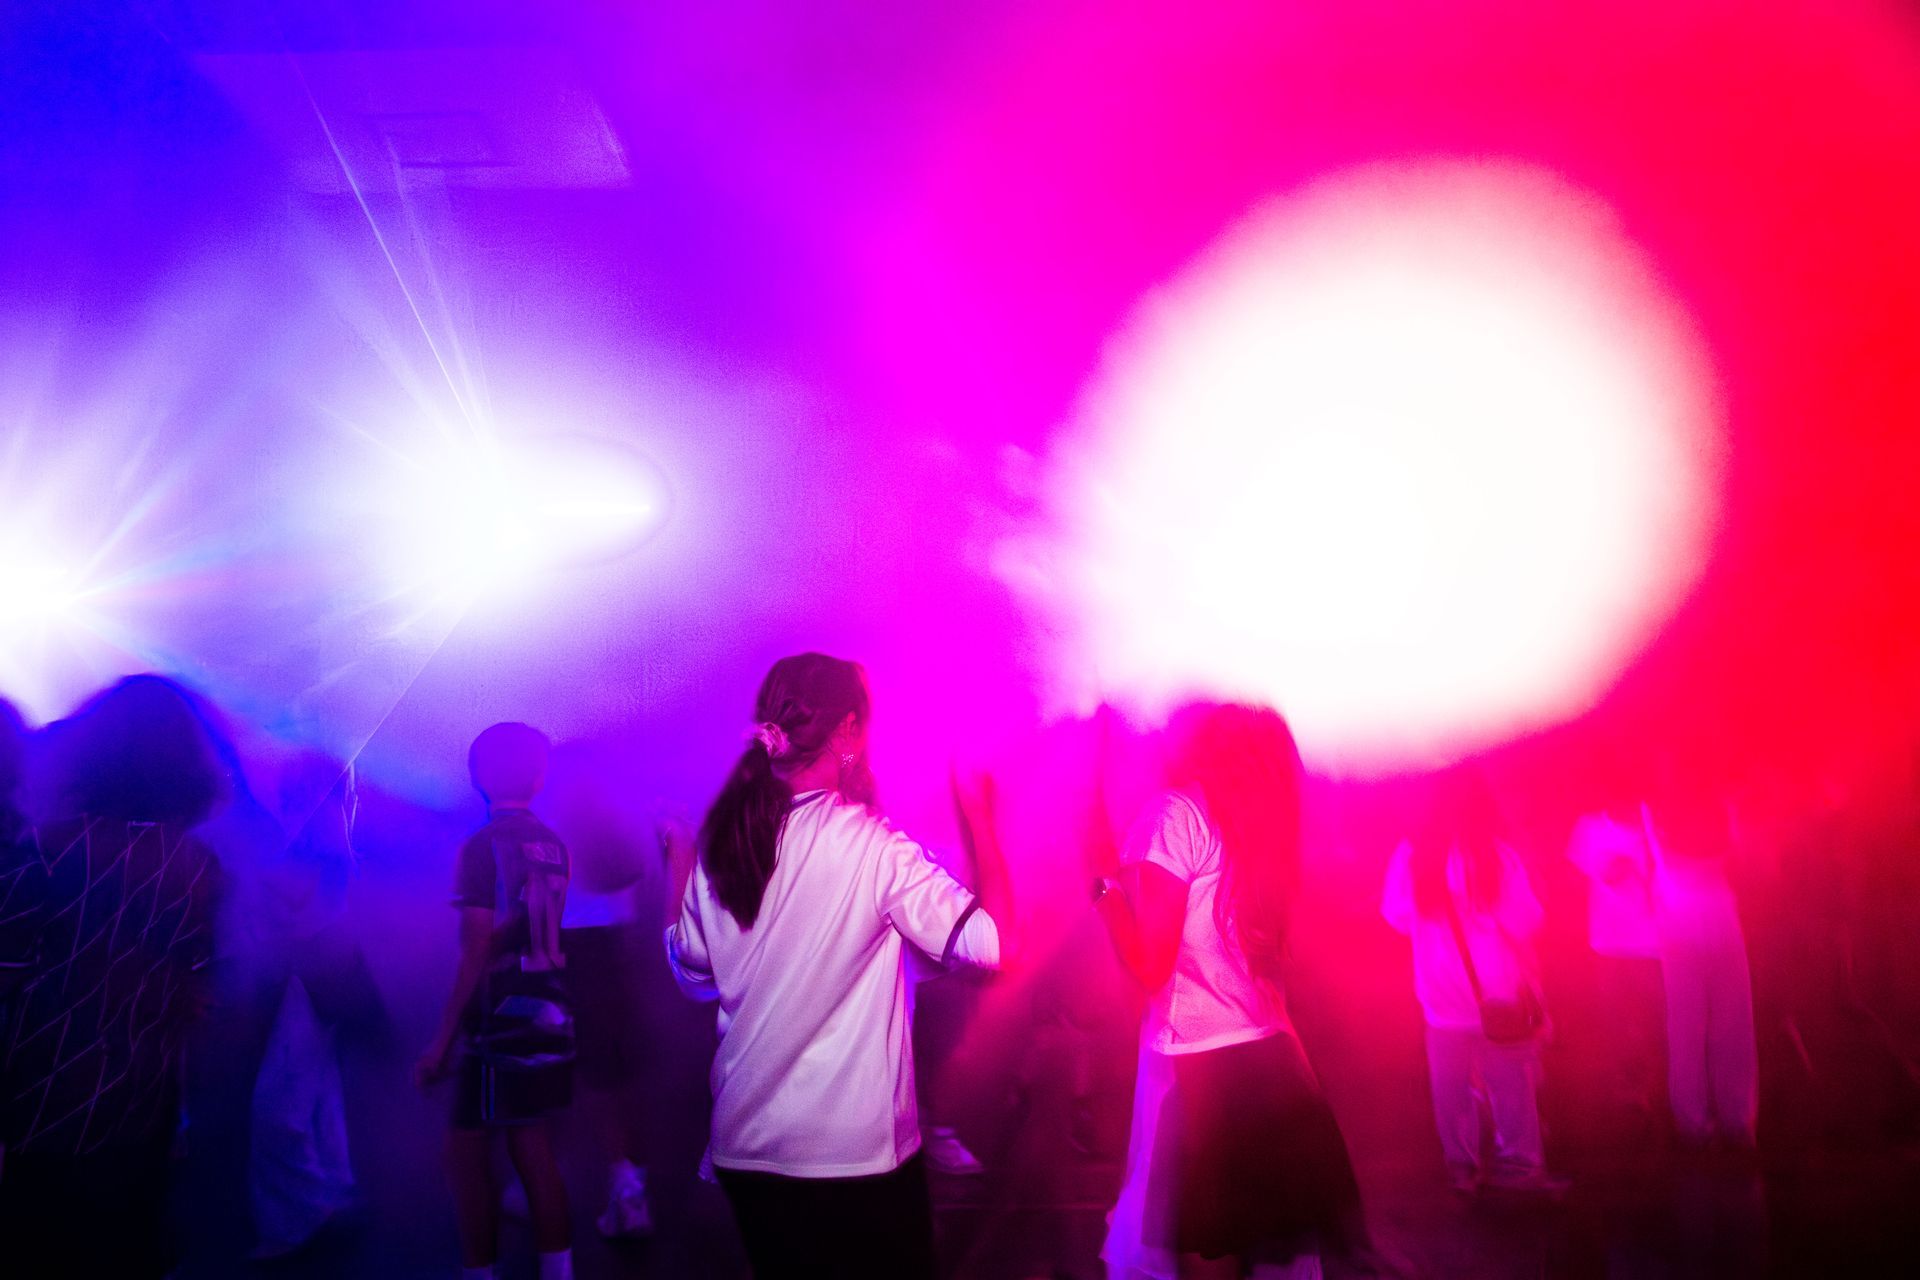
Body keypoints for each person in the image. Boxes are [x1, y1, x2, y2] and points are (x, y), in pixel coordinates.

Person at [664, 653, 1011, 1279]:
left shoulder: (723, 844)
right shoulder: (871, 846)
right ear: (847, 730)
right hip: (854, 1161)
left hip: (747, 1152)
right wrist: (981, 815)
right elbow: (989, 942)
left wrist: (679, 864)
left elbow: (691, 974)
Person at [1095, 703, 1361, 1280]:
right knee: (1265, 1258)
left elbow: (1148, 967)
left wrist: (1103, 891)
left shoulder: (1178, 815)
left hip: (1208, 1075)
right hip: (1273, 1067)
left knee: (1211, 1255)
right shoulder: (1256, 826)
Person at [0, 677, 226, 1279]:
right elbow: (196, 992)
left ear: (92, 751)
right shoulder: (197, 865)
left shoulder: (49, 850)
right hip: (141, 1105)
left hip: (42, 1107)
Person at [415, 722, 575, 1280]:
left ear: (477, 776)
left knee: (464, 1157)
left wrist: (441, 1041)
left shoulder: (481, 848)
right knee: (533, 1150)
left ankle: (479, 1274)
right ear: (539, 776)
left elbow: (476, 951)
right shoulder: (553, 843)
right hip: (550, 1011)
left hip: (499, 1023)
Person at [1381, 767, 1561, 1196]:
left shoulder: (1412, 856)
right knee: (1510, 1088)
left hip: (1440, 994)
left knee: (1451, 1090)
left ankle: (1463, 1170)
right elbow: (1527, 923)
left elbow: (1396, 917)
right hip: (1496, 994)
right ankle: (1518, 1168)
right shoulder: (1496, 857)